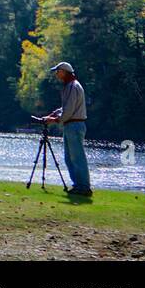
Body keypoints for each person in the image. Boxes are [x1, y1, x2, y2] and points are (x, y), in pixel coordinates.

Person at [40, 61, 91, 196]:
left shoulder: (72, 87)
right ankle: (78, 186)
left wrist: (55, 120)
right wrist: (54, 114)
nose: (56, 74)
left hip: (74, 125)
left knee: (77, 157)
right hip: (71, 125)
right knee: (70, 158)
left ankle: (84, 187)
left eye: (58, 71)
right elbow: (66, 108)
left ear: (64, 71)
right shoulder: (70, 86)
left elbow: (69, 110)